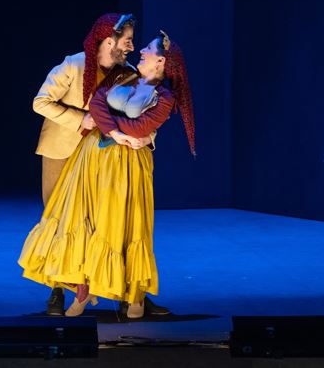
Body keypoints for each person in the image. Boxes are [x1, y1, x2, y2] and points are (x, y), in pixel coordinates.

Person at [19, 30, 194, 318]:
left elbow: (147, 123)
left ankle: (130, 292)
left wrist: (140, 135)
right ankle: (61, 289)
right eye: (128, 40)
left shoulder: (135, 77)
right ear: (108, 40)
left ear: (161, 61)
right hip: (69, 151)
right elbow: (93, 105)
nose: (134, 47)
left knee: (122, 224)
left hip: (119, 160)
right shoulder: (75, 65)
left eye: (140, 44)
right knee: (65, 222)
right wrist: (113, 129)